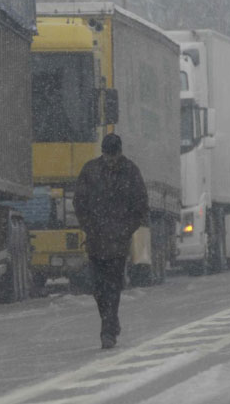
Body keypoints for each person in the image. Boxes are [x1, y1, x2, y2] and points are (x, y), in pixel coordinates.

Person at [74, 133, 149, 349]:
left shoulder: (131, 172)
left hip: (117, 242)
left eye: (113, 156)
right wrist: (89, 227)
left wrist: (125, 230)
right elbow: (79, 202)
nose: (110, 161)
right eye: (107, 156)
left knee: (113, 286)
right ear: (103, 153)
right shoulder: (91, 171)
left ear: (119, 152)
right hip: (96, 241)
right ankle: (110, 321)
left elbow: (141, 205)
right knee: (98, 287)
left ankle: (107, 331)